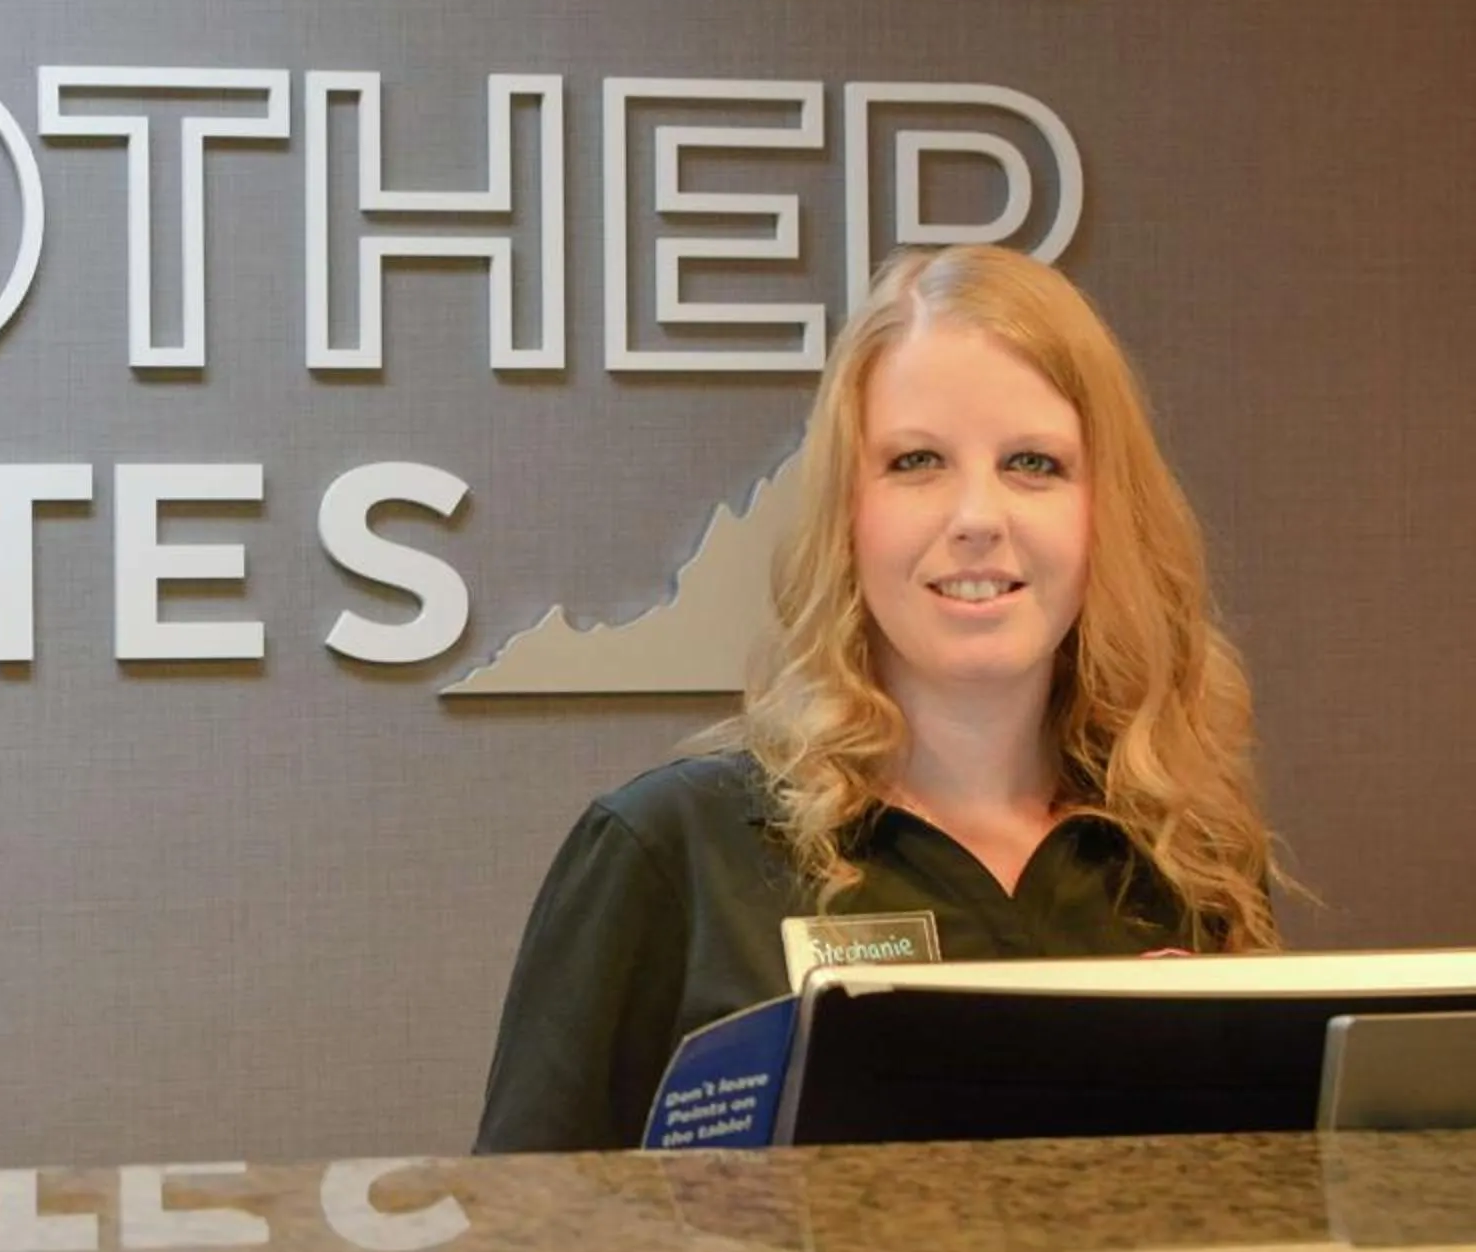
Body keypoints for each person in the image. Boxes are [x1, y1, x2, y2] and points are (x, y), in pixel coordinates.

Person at [474, 244, 1288, 1154]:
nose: (977, 518)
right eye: (916, 461)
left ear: (1107, 513)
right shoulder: (672, 855)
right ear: (846, 516)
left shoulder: (1189, 857)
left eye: (1033, 463)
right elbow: (527, 1230)